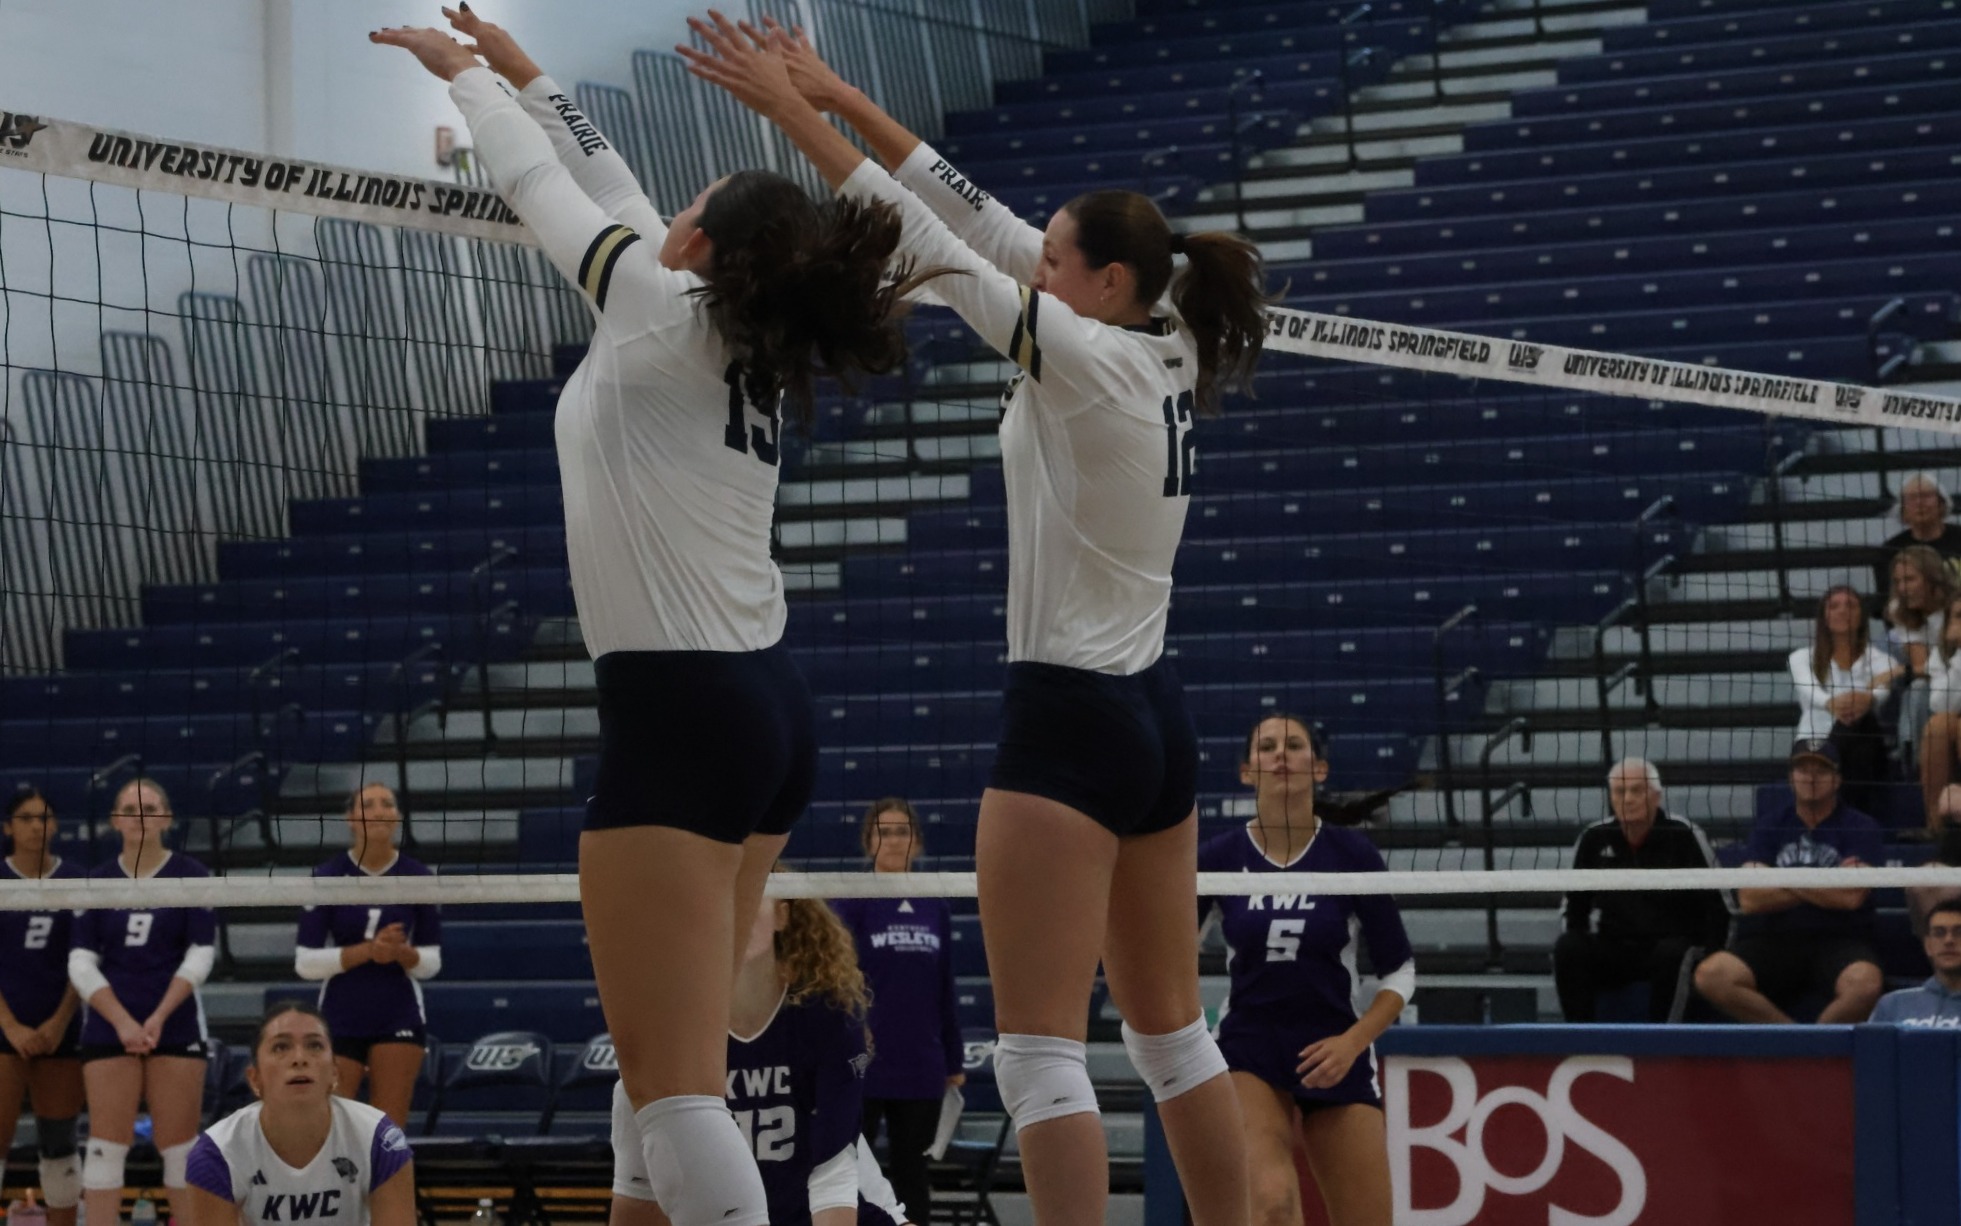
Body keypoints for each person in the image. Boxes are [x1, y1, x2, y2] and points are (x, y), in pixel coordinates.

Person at [682, 18, 1270, 1226]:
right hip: (1153, 717)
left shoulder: (1085, 359)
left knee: (1038, 1052)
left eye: (1053, 258)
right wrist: (832, 86)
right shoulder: (1148, 331)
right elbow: (971, 208)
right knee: (1170, 1034)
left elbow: (932, 248)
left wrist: (781, 119)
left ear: (1099, 281)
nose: (1034, 262)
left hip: (1069, 720)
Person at [370, 13, 939, 1226]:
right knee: (675, 1063)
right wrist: (525, 71)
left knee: (677, 1089)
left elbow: (536, 181)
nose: (663, 209)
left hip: (681, 717)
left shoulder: (647, 300)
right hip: (763, 712)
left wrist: (466, 81)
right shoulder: (712, 323)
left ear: (699, 242)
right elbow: (610, 181)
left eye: (688, 203)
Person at [1198, 715, 1412, 1226]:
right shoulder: (1218, 857)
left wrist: (1353, 1042)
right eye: (1266, 747)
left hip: (1335, 1044)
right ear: (1248, 772)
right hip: (1251, 1045)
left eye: (1293, 746)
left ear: (1318, 768)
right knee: (1271, 1205)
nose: (1280, 755)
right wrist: (1190, 1040)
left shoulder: (1352, 854)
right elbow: (1169, 956)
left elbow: (1400, 973)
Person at [610, 883, 872, 1226]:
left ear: (782, 913)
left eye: (750, 899)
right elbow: (638, 1199)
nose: (738, 915)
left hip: (821, 1207)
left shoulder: (829, 1018)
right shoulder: (670, 1031)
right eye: (726, 903)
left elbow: (834, 1173)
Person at [69, 777, 215, 1226]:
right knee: (105, 1148)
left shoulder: (192, 876)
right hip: (110, 1027)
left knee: (180, 1151)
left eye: (150, 807)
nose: (140, 816)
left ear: (167, 818)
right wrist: (123, 1022)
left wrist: (156, 1016)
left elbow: (202, 951)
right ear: (116, 820)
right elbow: (80, 961)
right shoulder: (96, 882)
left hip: (175, 1024)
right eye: (130, 809)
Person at [830, 799, 963, 1226]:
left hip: (921, 1064)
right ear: (869, 842)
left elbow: (945, 986)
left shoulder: (934, 904)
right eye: (884, 831)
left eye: (902, 831)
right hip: (863, 1062)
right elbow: (836, 983)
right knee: (852, 1171)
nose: (893, 840)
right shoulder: (851, 902)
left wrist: (955, 1060)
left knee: (911, 1171)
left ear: (918, 842)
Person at [1692, 739, 1885, 1024]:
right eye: (1802, 769)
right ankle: (1791, 1038)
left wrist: (1780, 878)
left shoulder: (1860, 827)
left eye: (1821, 770)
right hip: (1775, 939)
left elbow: (1850, 897)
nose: (1810, 777)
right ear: (1791, 778)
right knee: (1711, 976)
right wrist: (1826, 882)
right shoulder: (1770, 825)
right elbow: (1750, 899)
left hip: (1841, 939)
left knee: (1866, 985)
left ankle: (1815, 1045)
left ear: (1837, 780)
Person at [182, 1002, 415, 1226]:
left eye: (315, 1046)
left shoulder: (379, 1138)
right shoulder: (218, 1152)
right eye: (281, 1047)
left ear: (334, 1073)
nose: (299, 1059)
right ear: (255, 1078)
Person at [293, 782, 442, 1127]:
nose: (378, 811)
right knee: (334, 1129)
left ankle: (390, 1183)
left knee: (388, 1132)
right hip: (340, 1014)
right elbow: (305, 963)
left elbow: (432, 962)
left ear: (398, 817)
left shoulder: (418, 877)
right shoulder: (327, 877)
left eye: (387, 804)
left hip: (398, 1015)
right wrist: (369, 951)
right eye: (368, 805)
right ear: (350, 818)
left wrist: (401, 953)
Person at [1553, 759, 1729, 1023]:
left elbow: (1718, 905)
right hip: (1616, 946)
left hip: (1672, 946)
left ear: (1656, 796)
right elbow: (1574, 908)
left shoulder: (1684, 835)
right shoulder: (1594, 837)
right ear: (1611, 797)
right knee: (1569, 947)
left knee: (1671, 954)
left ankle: (1661, 1044)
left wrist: (1712, 955)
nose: (1629, 799)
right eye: (1620, 792)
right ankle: (1580, 1040)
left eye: (1637, 790)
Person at [0, 789, 84, 1226]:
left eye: (45, 818)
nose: (37, 826)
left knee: (59, 1143)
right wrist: (10, 1025)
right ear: (8, 827)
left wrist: (58, 1021)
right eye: (27, 818)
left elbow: (84, 960)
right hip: (3, 1029)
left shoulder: (77, 881)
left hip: (61, 1029)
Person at [1788, 583, 1900, 806]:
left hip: (1866, 746)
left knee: (1859, 721)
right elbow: (1809, 690)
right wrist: (1833, 704)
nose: (1843, 611)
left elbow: (1882, 691)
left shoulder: (1882, 659)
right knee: (1851, 724)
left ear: (1862, 616)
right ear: (1824, 617)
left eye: (1851, 605)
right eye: (1834, 606)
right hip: (1815, 746)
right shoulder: (1800, 658)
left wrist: (1868, 700)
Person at [1884, 545, 1953, 770]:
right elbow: (1921, 667)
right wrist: (1907, 672)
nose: (1902, 588)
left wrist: (1902, 672)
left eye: (1910, 580)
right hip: (1938, 678)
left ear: (1933, 578)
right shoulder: (1899, 609)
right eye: (1898, 582)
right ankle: (1916, 762)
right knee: (1918, 690)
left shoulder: (1956, 608)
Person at [1869, 899, 1961, 1027]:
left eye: (1959, 932)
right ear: (1928, 945)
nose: (1948, 940)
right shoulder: (1893, 1004)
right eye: (1939, 933)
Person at [1874, 473, 1961, 598]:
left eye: (1926, 496)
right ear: (1902, 510)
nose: (1919, 503)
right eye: (1911, 498)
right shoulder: (1891, 550)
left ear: (1942, 504)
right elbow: (1888, 601)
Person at [1918, 595, 1961, 828]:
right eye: (1958, 616)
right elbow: (1941, 705)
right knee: (1937, 727)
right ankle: (1936, 827)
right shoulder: (1943, 655)